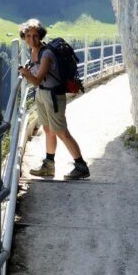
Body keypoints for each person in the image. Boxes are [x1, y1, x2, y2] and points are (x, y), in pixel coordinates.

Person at [17, 18, 90, 180]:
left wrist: (24, 72)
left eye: (35, 36)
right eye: (28, 36)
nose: (31, 39)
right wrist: (28, 70)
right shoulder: (34, 51)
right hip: (43, 95)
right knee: (48, 130)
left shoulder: (46, 54)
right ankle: (48, 165)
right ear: (24, 36)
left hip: (53, 96)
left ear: (40, 35)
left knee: (61, 131)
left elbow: (36, 81)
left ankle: (81, 166)